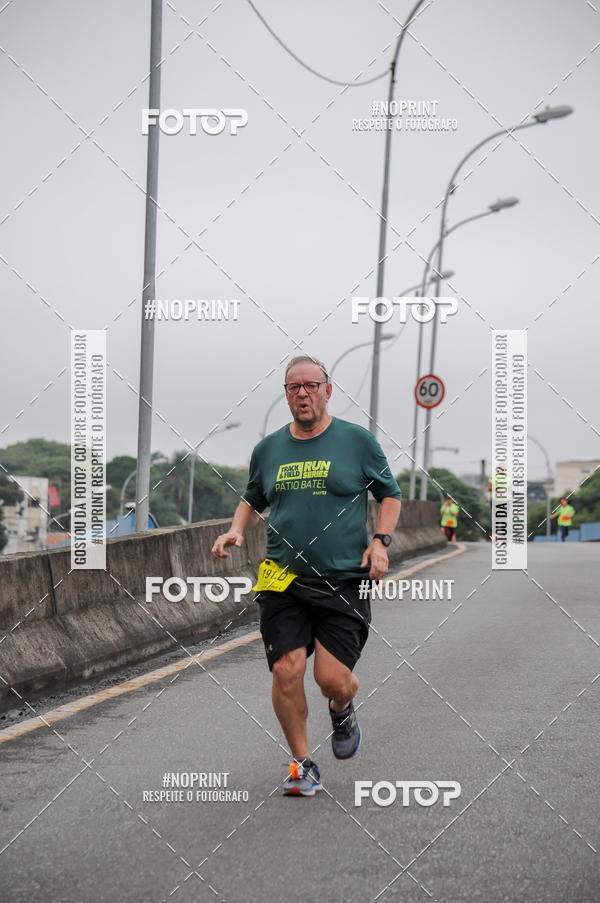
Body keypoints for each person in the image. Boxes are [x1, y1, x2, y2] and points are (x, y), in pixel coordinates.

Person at [211, 355, 402, 796]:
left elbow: (390, 495)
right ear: (286, 394)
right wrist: (237, 529)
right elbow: (253, 497)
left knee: (331, 679)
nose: (303, 393)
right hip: (282, 578)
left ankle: (342, 705)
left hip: (343, 579)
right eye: (294, 387)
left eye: (311, 385)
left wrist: (380, 542)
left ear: (327, 390)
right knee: (286, 670)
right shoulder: (268, 450)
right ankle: (302, 764)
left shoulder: (357, 442)